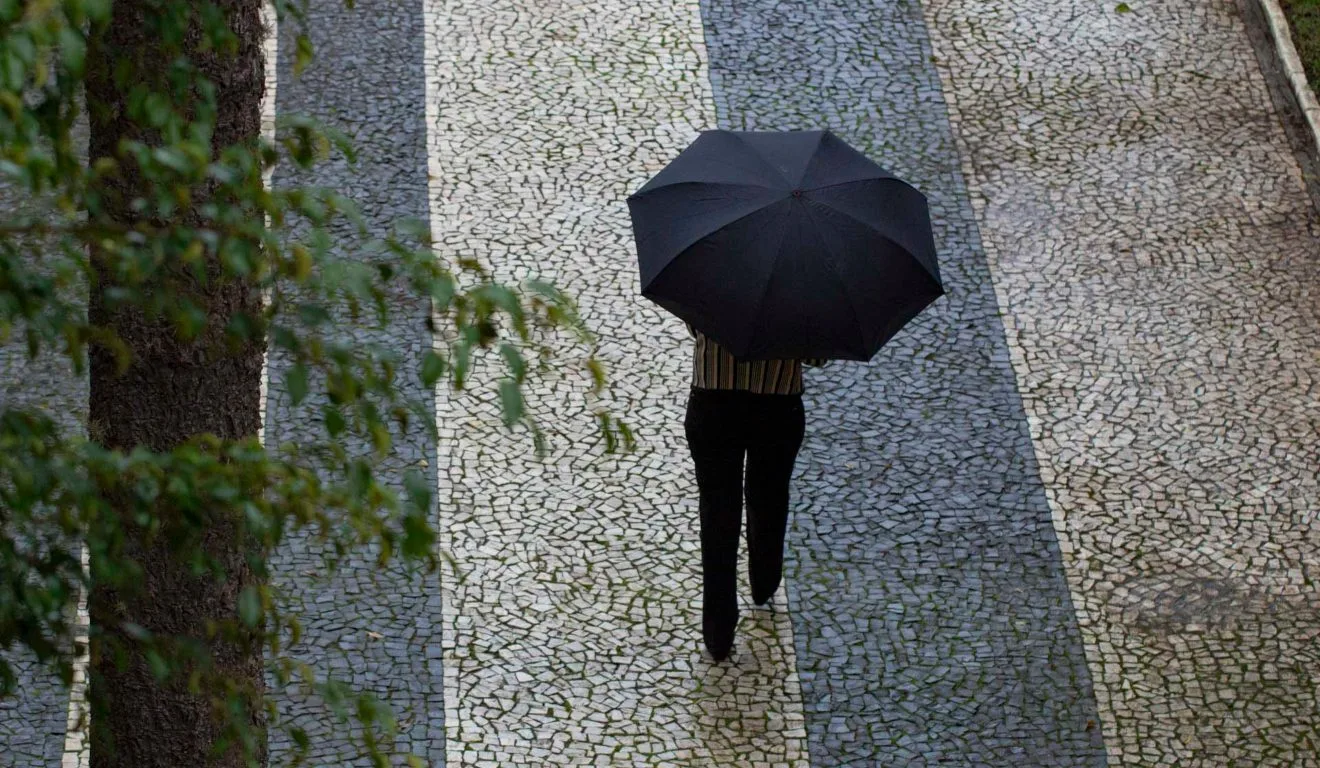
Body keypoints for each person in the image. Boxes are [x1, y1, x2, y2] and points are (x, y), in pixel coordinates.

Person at [683, 325, 826, 661]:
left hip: (713, 401)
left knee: (717, 513)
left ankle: (718, 630)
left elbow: (694, 324)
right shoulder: (804, 283)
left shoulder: (710, 273)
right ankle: (764, 579)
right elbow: (816, 356)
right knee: (770, 497)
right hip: (776, 407)